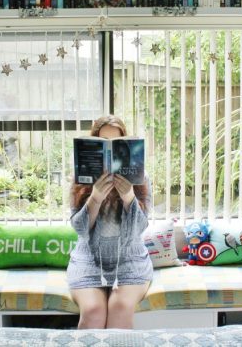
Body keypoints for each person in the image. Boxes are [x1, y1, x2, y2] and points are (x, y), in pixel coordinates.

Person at [67, 115, 152, 329]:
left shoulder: (141, 178)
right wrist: (95, 197)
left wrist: (128, 197)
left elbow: (139, 229)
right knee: (93, 311)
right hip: (90, 260)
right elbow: (80, 230)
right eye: (103, 141)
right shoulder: (80, 179)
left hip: (129, 259)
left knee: (120, 308)